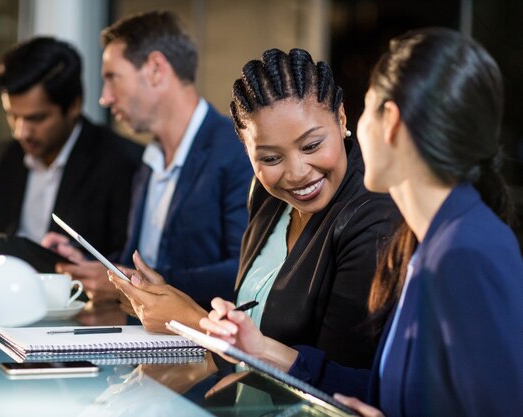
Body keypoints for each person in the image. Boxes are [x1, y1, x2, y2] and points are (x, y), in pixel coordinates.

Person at [200, 28, 523, 416]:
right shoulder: (431, 241)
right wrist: (261, 349)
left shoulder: (464, 249)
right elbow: (390, 393)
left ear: (390, 122)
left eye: (365, 107)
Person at [110, 47, 400, 369]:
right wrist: (167, 295)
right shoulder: (267, 195)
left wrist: (191, 321)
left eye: (312, 145)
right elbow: (254, 310)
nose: (296, 172)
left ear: (342, 118)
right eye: (270, 158)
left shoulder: (374, 220)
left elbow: (337, 381)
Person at [45, 11, 252, 307]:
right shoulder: (147, 161)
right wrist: (91, 265)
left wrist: (139, 282)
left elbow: (245, 273)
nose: (105, 98)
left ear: (155, 69)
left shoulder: (236, 151)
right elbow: (145, 259)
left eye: (112, 78)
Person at [0, 36, 143, 262]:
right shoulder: (9, 156)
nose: (21, 132)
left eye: (36, 119)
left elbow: (129, 261)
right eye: (12, 116)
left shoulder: (122, 161)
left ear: (74, 105)